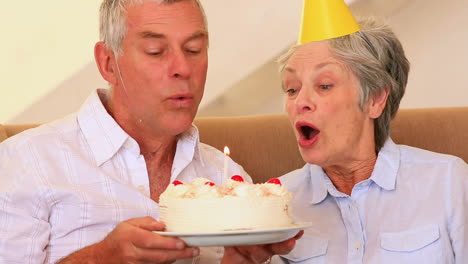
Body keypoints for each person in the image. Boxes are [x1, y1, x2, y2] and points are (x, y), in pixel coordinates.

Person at [0, 0, 301, 263]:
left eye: (194, 49)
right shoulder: (25, 162)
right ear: (108, 63)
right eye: (156, 52)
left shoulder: (228, 180)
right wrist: (103, 258)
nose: (183, 67)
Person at [274, 16, 468, 263]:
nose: (300, 102)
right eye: (292, 89)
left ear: (374, 100)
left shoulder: (448, 182)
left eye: (324, 85)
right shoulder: (277, 202)